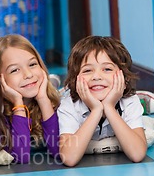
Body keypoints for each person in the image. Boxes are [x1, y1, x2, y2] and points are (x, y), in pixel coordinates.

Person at [57, 35, 147, 166]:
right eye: (87, 70)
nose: (97, 76)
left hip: (124, 97)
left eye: (107, 69)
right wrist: (96, 110)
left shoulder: (129, 101)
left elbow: (137, 154)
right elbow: (69, 158)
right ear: (75, 78)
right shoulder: (69, 104)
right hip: (66, 95)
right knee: (56, 99)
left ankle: (146, 101)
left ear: (124, 76)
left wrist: (109, 107)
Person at [0, 34, 61, 163]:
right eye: (15, 70)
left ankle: (53, 84)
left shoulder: (56, 104)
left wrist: (43, 99)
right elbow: (21, 157)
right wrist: (18, 104)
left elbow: (59, 151)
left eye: (32, 64)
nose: (28, 74)